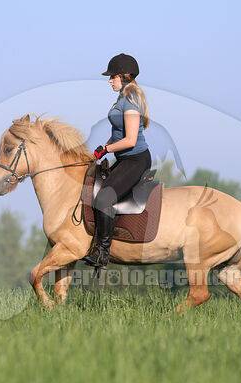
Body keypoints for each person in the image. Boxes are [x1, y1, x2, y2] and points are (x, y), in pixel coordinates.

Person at [83, 53, 152, 268]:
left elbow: (130, 140)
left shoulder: (130, 101)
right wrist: (104, 149)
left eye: (113, 76)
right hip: (124, 159)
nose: (110, 80)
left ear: (124, 76)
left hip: (135, 160)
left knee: (104, 198)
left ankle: (102, 255)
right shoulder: (122, 99)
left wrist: (106, 148)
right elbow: (120, 133)